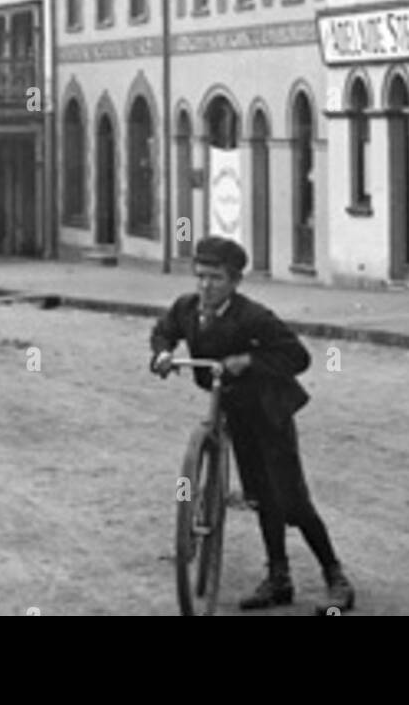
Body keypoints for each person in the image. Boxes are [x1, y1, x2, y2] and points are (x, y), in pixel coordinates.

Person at [149, 236, 354, 615]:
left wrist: (249, 361)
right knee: (260, 496)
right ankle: (278, 578)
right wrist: (162, 354)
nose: (206, 285)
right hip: (235, 413)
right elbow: (164, 330)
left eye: (216, 278)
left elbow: (298, 356)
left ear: (235, 282)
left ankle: (336, 577)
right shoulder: (187, 308)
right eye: (201, 276)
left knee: (292, 500)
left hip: (268, 412)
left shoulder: (253, 316)